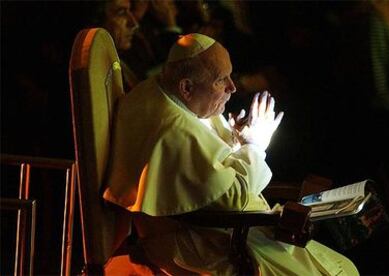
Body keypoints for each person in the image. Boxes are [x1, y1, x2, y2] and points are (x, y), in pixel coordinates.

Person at [103, 33, 359, 275]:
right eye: (220, 80)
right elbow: (232, 199)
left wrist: (234, 140)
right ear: (187, 87)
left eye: (230, 76)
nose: (233, 87)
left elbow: (209, 168)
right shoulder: (172, 129)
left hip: (218, 227)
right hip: (200, 239)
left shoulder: (162, 91)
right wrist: (255, 145)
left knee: (342, 267)